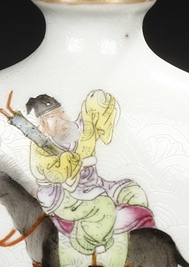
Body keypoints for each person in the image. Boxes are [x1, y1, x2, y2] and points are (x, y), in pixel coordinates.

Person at [25, 90, 152, 257]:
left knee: (133, 192)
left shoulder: (77, 131)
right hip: (63, 196)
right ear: (43, 124)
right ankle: (92, 253)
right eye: (51, 118)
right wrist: (74, 161)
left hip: (94, 184)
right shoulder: (40, 147)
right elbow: (57, 174)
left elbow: (91, 115)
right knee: (103, 206)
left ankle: (139, 243)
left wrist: (98, 100)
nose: (60, 120)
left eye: (61, 113)